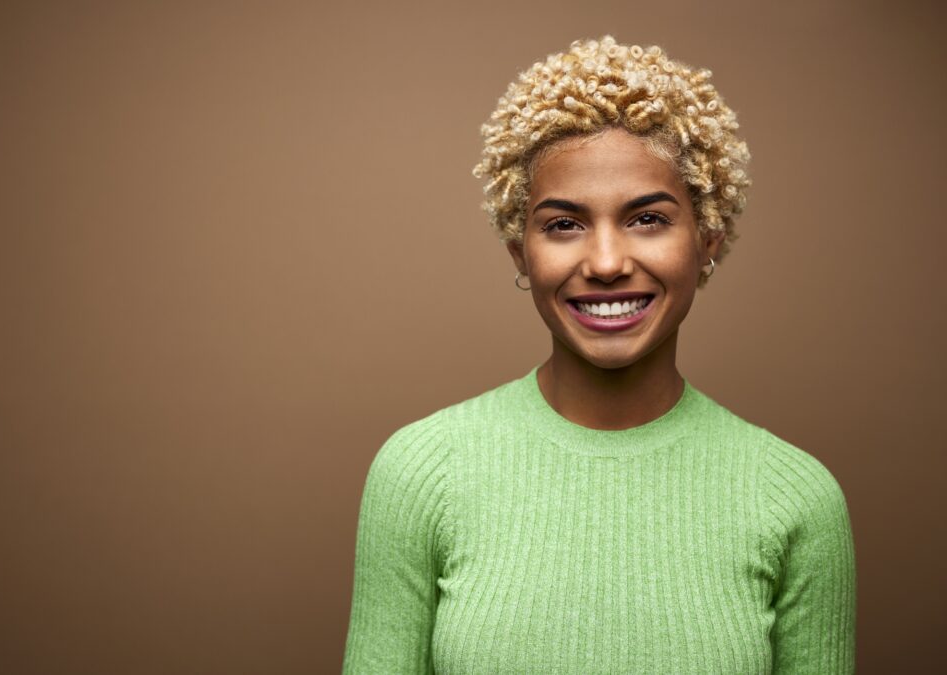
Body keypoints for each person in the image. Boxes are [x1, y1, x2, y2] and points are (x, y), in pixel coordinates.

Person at [342, 35, 857, 674]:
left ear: (708, 243)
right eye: (564, 224)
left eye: (648, 219)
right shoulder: (421, 474)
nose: (607, 263)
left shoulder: (797, 500)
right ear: (519, 253)